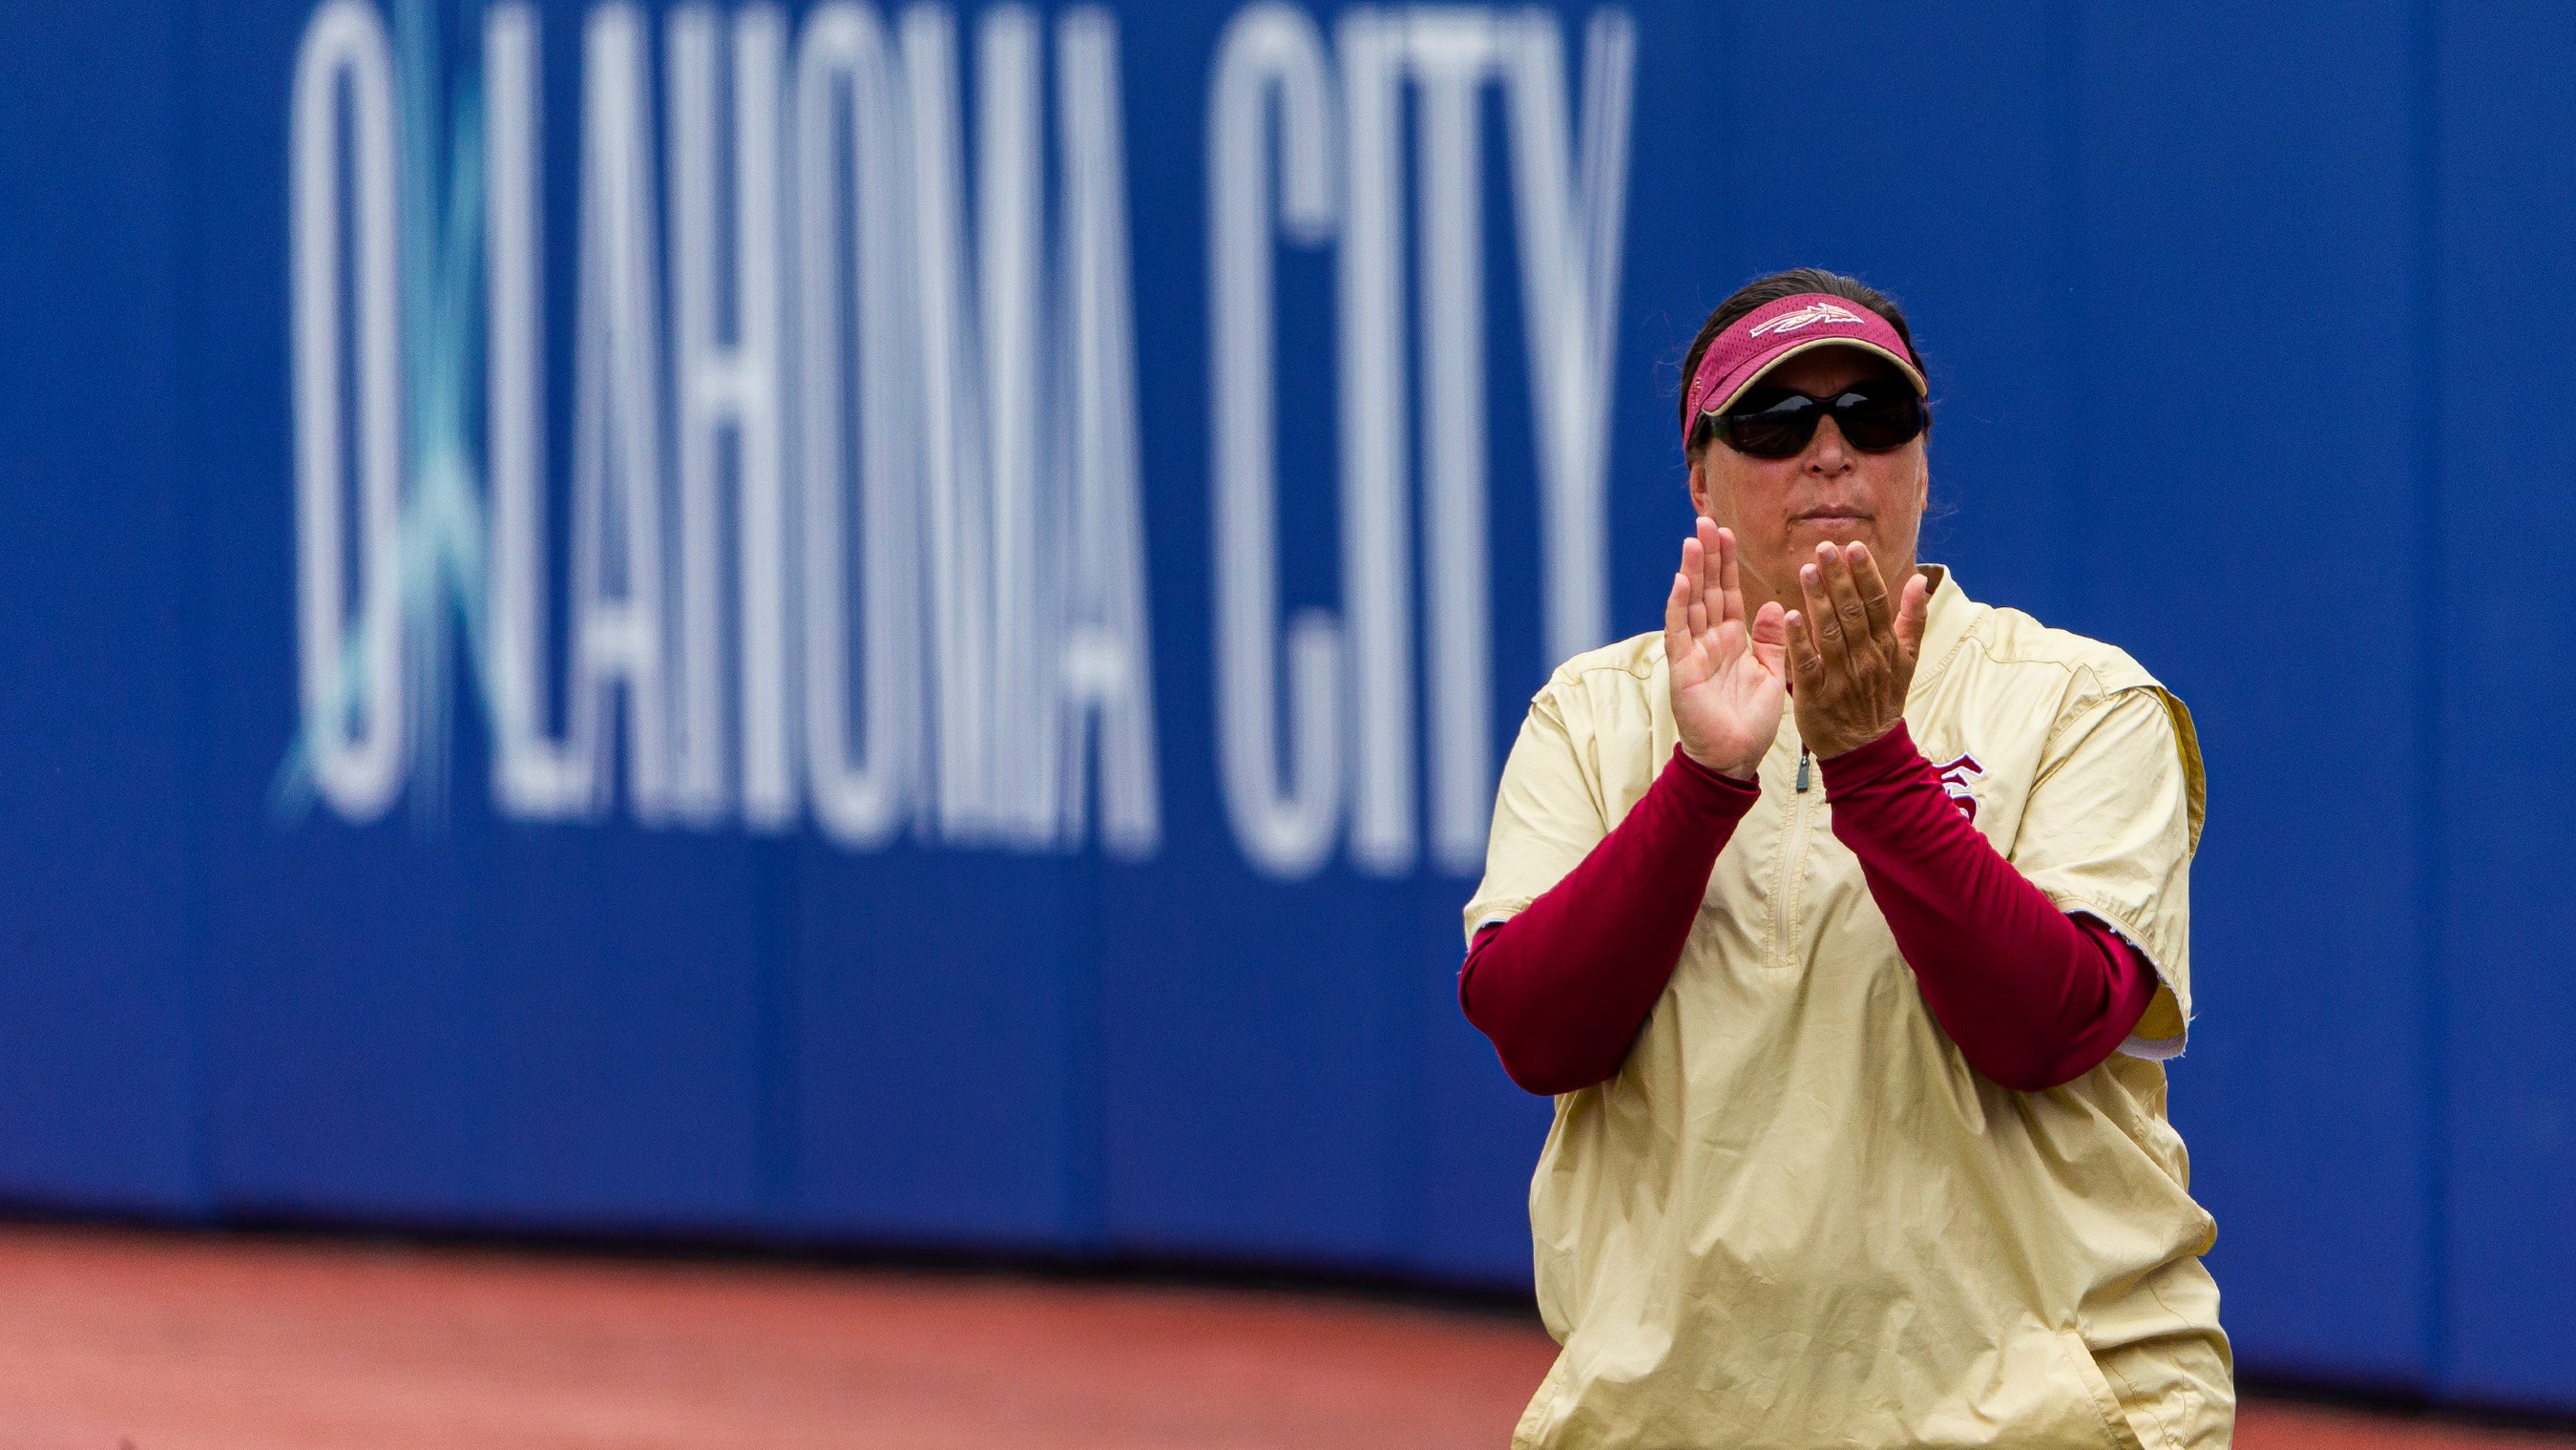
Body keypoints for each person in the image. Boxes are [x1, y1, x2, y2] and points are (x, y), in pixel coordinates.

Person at [1460, 268, 2230, 1449]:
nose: (1830, 453)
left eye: (1873, 417)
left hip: (2034, 1424)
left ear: (1918, 464)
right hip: (1679, 1420)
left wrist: (1873, 763)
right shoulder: (1592, 712)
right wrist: (1701, 784)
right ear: (1698, 475)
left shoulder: (2078, 699)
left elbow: (2047, 1025)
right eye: (1774, 421)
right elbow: (1533, 1028)